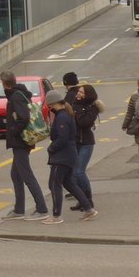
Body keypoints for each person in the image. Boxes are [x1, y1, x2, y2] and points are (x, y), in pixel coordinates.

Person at [0, 71, 49, 221]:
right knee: (16, 175)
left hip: (21, 141)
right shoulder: (20, 94)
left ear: (4, 83)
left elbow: (24, 117)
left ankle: (42, 209)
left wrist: (13, 131)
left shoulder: (15, 96)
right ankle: (19, 210)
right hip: (22, 141)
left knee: (27, 175)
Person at [43, 89, 95, 223]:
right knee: (69, 183)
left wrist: (51, 148)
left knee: (54, 184)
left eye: (49, 105)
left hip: (61, 156)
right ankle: (89, 208)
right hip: (69, 155)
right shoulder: (67, 114)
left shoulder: (62, 117)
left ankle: (56, 216)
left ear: (53, 103)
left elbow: (62, 138)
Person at [62, 73, 102, 212]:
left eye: (81, 92)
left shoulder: (92, 107)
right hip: (75, 142)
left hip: (86, 143)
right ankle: (81, 199)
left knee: (79, 172)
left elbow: (83, 122)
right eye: (78, 91)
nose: (77, 94)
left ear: (87, 95)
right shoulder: (75, 105)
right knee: (73, 173)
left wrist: (77, 109)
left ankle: (88, 199)